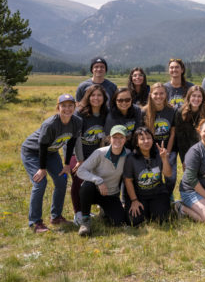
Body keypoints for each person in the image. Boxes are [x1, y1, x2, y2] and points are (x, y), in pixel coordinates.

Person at [21, 94, 82, 232]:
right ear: (58, 107)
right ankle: (35, 222)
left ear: (75, 106)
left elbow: (71, 142)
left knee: (61, 180)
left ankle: (56, 217)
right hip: (32, 152)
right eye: (63, 106)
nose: (67, 109)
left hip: (52, 152)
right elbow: (42, 146)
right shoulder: (50, 124)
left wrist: (67, 164)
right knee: (40, 182)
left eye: (70, 105)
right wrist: (42, 168)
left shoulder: (77, 121)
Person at [76, 125, 129, 236]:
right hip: (94, 191)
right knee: (87, 186)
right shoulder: (100, 153)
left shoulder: (128, 155)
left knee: (119, 222)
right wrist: (98, 180)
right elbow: (80, 171)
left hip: (111, 194)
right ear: (109, 138)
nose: (118, 140)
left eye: (121, 137)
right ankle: (85, 222)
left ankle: (104, 211)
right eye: (115, 137)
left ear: (126, 139)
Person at [71, 85, 109, 226]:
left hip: (97, 154)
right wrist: (80, 160)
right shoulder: (79, 114)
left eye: (99, 95)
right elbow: (76, 138)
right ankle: (78, 212)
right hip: (78, 152)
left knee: (102, 178)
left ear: (104, 98)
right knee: (78, 178)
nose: (96, 98)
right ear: (87, 97)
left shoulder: (106, 113)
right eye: (93, 95)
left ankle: (102, 206)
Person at [124, 127, 172, 226]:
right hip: (139, 196)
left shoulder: (159, 154)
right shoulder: (131, 159)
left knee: (161, 219)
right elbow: (128, 180)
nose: (146, 141)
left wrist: (164, 159)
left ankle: (165, 208)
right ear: (137, 142)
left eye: (149, 138)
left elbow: (168, 174)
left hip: (157, 194)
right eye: (142, 139)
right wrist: (134, 200)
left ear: (153, 140)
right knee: (134, 221)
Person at [142, 83, 177, 194]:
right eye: (155, 93)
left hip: (168, 148)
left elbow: (172, 133)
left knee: (170, 176)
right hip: (150, 149)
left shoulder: (171, 110)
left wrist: (168, 152)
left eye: (161, 93)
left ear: (166, 94)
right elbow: (142, 135)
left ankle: (169, 195)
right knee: (154, 175)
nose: (159, 96)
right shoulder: (144, 111)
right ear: (150, 95)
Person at [174, 86, 205, 166]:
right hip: (187, 148)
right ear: (189, 97)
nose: (196, 99)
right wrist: (184, 159)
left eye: (199, 96)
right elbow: (181, 139)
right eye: (194, 96)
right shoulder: (180, 113)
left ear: (203, 98)